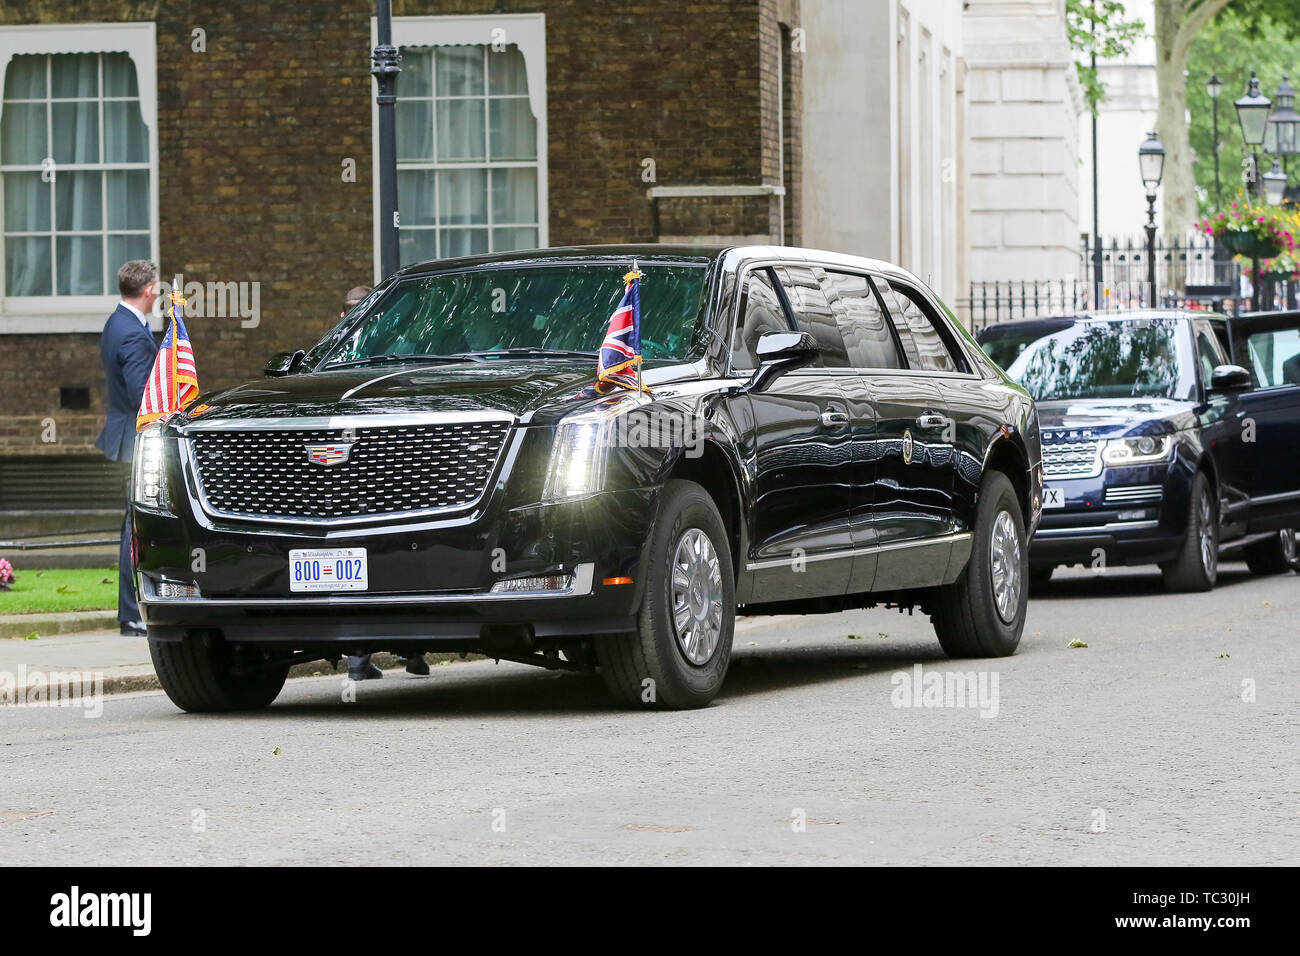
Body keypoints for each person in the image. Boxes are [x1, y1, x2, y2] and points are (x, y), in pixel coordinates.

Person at [337, 285, 430, 681]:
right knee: (391, 557)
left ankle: (366, 658)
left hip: (350, 480)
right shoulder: (401, 346)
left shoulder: (335, 354)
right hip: (381, 475)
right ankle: (409, 652)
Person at [95, 260, 161, 637]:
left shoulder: (115, 321)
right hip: (134, 442)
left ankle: (132, 612)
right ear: (149, 290)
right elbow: (143, 396)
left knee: (131, 526)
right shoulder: (133, 333)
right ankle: (132, 615)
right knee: (135, 528)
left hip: (121, 438)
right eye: (157, 288)